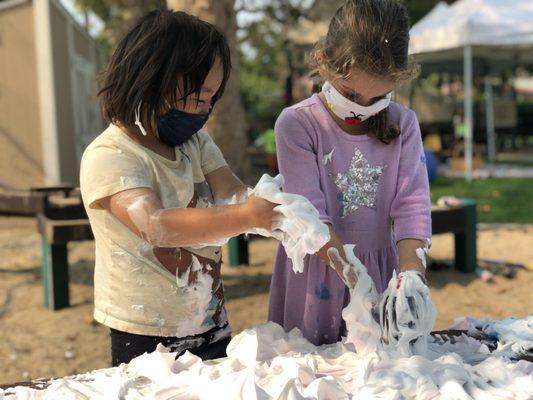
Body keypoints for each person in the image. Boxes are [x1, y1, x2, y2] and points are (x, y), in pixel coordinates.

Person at [80, 10, 276, 366]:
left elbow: (231, 191)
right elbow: (155, 225)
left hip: (211, 319)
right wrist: (245, 216)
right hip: (144, 333)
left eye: (211, 100)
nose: (204, 110)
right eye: (198, 97)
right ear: (151, 79)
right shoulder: (110, 155)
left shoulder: (194, 144)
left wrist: (266, 205)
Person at [268, 0, 432, 345]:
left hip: (383, 270)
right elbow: (309, 217)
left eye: (378, 98)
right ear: (322, 61)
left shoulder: (404, 124)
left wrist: (411, 276)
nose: (361, 110)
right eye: (351, 94)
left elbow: (412, 208)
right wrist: (357, 283)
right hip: (318, 272)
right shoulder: (298, 124)